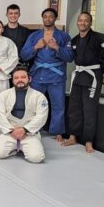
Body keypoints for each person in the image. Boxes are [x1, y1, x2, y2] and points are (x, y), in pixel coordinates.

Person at [63, 11, 104, 153]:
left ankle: (88, 141)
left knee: (89, 110)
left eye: (86, 20)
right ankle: (73, 136)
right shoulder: (74, 40)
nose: (83, 22)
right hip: (79, 76)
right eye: (80, 20)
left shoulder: (99, 37)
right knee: (74, 108)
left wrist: (103, 72)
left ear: (90, 23)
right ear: (77, 22)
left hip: (92, 77)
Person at [20, 8, 74, 142]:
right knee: (33, 104)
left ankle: (58, 132)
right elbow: (23, 55)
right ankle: (32, 128)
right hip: (38, 74)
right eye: (45, 16)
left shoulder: (64, 36)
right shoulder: (34, 36)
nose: (48, 19)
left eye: (51, 16)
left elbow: (70, 57)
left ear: (55, 19)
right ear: (42, 18)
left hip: (56, 76)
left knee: (58, 105)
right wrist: (36, 47)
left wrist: (57, 48)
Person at [0, 67, 48, 163]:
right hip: (10, 131)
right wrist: (10, 130)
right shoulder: (3, 95)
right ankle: (16, 148)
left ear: (29, 79)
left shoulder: (39, 96)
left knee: (37, 158)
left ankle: (23, 147)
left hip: (29, 133)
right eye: (16, 78)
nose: (19, 80)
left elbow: (42, 116)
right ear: (12, 80)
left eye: (23, 77)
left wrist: (25, 130)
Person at [2, 4, 31, 68]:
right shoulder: (1, 31)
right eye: (11, 13)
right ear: (7, 15)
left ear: (19, 15)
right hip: (4, 65)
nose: (13, 15)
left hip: (21, 65)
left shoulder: (26, 31)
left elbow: (29, 50)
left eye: (16, 13)